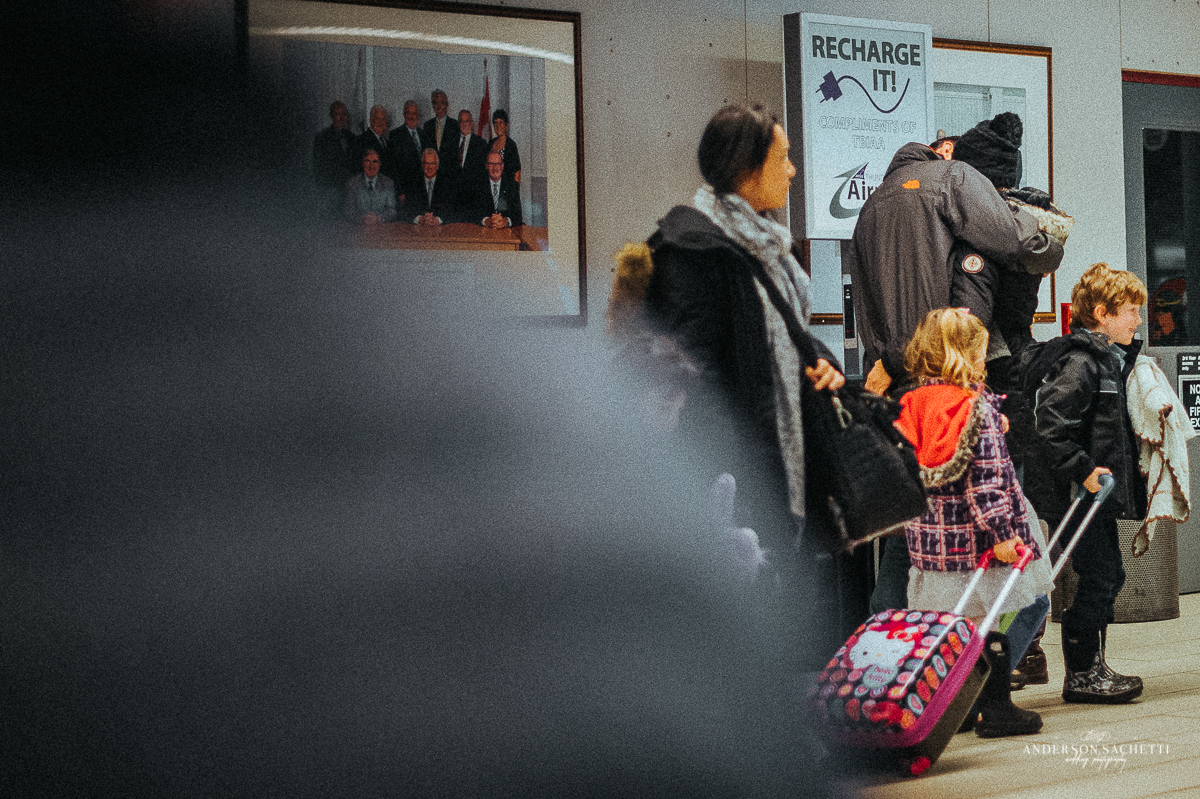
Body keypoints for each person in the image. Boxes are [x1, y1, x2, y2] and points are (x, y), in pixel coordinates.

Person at [642, 104, 871, 662]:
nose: (793, 170)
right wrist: (730, 474)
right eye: (784, 157)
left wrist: (818, 360)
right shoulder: (691, 251)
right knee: (750, 645)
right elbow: (690, 373)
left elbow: (783, 338)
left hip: (791, 464)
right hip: (737, 482)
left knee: (804, 631)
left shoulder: (771, 248)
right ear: (748, 167)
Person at [849, 113, 1065, 615]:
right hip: (956, 372)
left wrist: (890, 359)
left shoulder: (872, 203)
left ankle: (889, 648)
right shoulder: (954, 180)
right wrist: (1046, 235)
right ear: (945, 151)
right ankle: (988, 659)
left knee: (913, 520)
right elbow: (1013, 243)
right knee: (983, 504)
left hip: (900, 375)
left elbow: (862, 295)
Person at [894, 308, 1052, 737]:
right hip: (978, 546)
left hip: (932, 549)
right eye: (980, 351)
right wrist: (1003, 536)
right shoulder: (974, 410)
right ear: (965, 355)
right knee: (995, 621)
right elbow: (985, 486)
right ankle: (995, 708)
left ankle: (953, 706)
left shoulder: (913, 403)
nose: (985, 359)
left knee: (952, 630)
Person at [1024, 262, 1149, 703]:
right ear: (1102, 313)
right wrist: (1082, 469)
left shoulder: (1109, 362)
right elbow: (1051, 425)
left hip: (1093, 494)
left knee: (1105, 573)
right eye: (1130, 310)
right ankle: (1082, 673)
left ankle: (1089, 668)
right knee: (1101, 574)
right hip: (1077, 494)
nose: (1138, 320)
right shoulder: (1082, 362)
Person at [312, 100, 358, 218]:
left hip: (350, 191)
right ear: (332, 116)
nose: (341, 117)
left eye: (344, 114)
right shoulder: (322, 138)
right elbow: (319, 167)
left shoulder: (352, 138)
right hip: (331, 189)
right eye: (338, 114)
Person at [343, 147, 397, 225]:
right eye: (367, 161)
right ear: (362, 163)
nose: (371, 165)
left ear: (379, 165)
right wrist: (363, 219)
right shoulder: (353, 182)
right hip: (358, 228)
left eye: (375, 162)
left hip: (382, 227)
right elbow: (349, 210)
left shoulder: (387, 182)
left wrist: (379, 218)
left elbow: (392, 209)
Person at [473, 151, 522, 228]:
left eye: (498, 164)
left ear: (502, 166)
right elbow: (473, 213)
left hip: (506, 233)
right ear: (486, 166)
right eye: (491, 164)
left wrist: (505, 221)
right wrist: (486, 221)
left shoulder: (512, 185)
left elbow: (518, 216)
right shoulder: (478, 185)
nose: (495, 168)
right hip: (484, 231)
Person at [404, 148, 453, 225]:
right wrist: (420, 219)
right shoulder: (412, 182)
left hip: (441, 230)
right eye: (427, 163)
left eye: (433, 163)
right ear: (422, 165)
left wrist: (437, 220)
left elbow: (451, 210)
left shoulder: (447, 183)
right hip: (418, 230)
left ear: (437, 166)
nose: (429, 167)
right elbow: (407, 209)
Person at [450, 109, 489, 202]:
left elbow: (482, 173)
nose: (464, 124)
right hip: (453, 196)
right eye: (461, 121)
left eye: (466, 121)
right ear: (458, 123)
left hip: (473, 196)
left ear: (471, 123)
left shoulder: (481, 144)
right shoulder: (451, 142)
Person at [392, 100, 425, 204]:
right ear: (404, 114)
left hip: (423, 188)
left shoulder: (424, 134)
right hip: (406, 190)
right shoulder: (395, 135)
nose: (411, 116)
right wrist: (400, 191)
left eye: (414, 113)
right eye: (408, 112)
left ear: (418, 115)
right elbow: (394, 167)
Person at [421, 89, 458, 167]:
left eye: (442, 103)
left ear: (446, 105)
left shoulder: (455, 125)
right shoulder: (427, 126)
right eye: (436, 103)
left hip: (449, 171)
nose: (439, 106)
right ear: (433, 105)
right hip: (432, 171)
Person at [489, 109, 522, 184]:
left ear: (506, 125)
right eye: (495, 123)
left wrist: (515, 191)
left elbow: (517, 172)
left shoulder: (511, 145)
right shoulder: (490, 144)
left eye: (501, 122)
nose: (498, 126)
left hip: (507, 186)